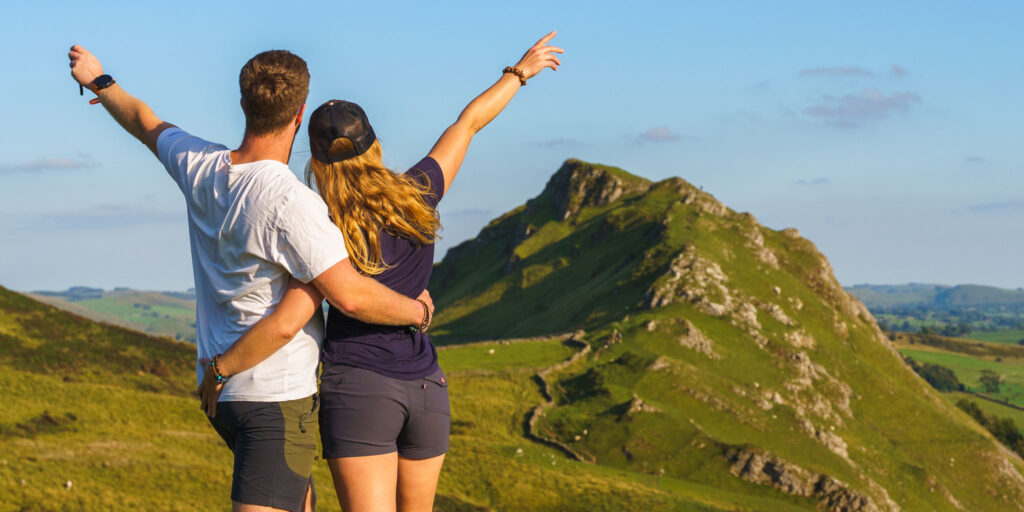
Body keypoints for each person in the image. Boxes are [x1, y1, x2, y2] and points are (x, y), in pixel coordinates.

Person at [201, 31, 563, 512]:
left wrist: (222, 368)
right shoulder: (419, 191)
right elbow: (468, 123)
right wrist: (519, 72)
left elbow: (296, 313)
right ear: (373, 142)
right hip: (427, 385)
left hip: (360, 388)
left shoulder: (320, 223)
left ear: (316, 155)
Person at [68, 46, 434, 512]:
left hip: (223, 399)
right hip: (272, 399)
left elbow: (144, 121)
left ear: (243, 104)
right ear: (300, 114)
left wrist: (101, 80)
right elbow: (349, 298)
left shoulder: (198, 164)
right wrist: (418, 311)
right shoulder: (295, 205)